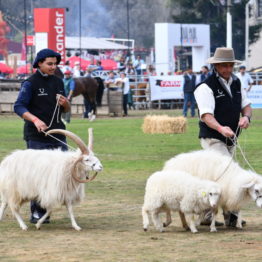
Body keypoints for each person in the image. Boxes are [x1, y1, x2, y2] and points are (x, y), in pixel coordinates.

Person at [194, 47, 252, 227]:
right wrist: (221, 128)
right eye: (223, 66)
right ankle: (232, 217)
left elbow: (247, 105)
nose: (227, 69)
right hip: (213, 138)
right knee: (230, 174)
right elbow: (206, 116)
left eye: (230, 65)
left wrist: (246, 117)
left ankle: (206, 216)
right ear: (216, 66)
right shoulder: (205, 87)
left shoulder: (237, 82)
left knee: (215, 178)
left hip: (231, 138)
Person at [14, 48, 71, 224]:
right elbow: (19, 107)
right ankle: (37, 211)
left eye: (55, 64)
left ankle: (52, 207)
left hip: (58, 134)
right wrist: (35, 120)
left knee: (62, 172)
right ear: (39, 63)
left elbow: (65, 110)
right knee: (38, 175)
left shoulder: (59, 82)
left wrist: (66, 104)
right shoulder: (29, 83)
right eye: (49, 64)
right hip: (36, 137)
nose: (53, 67)